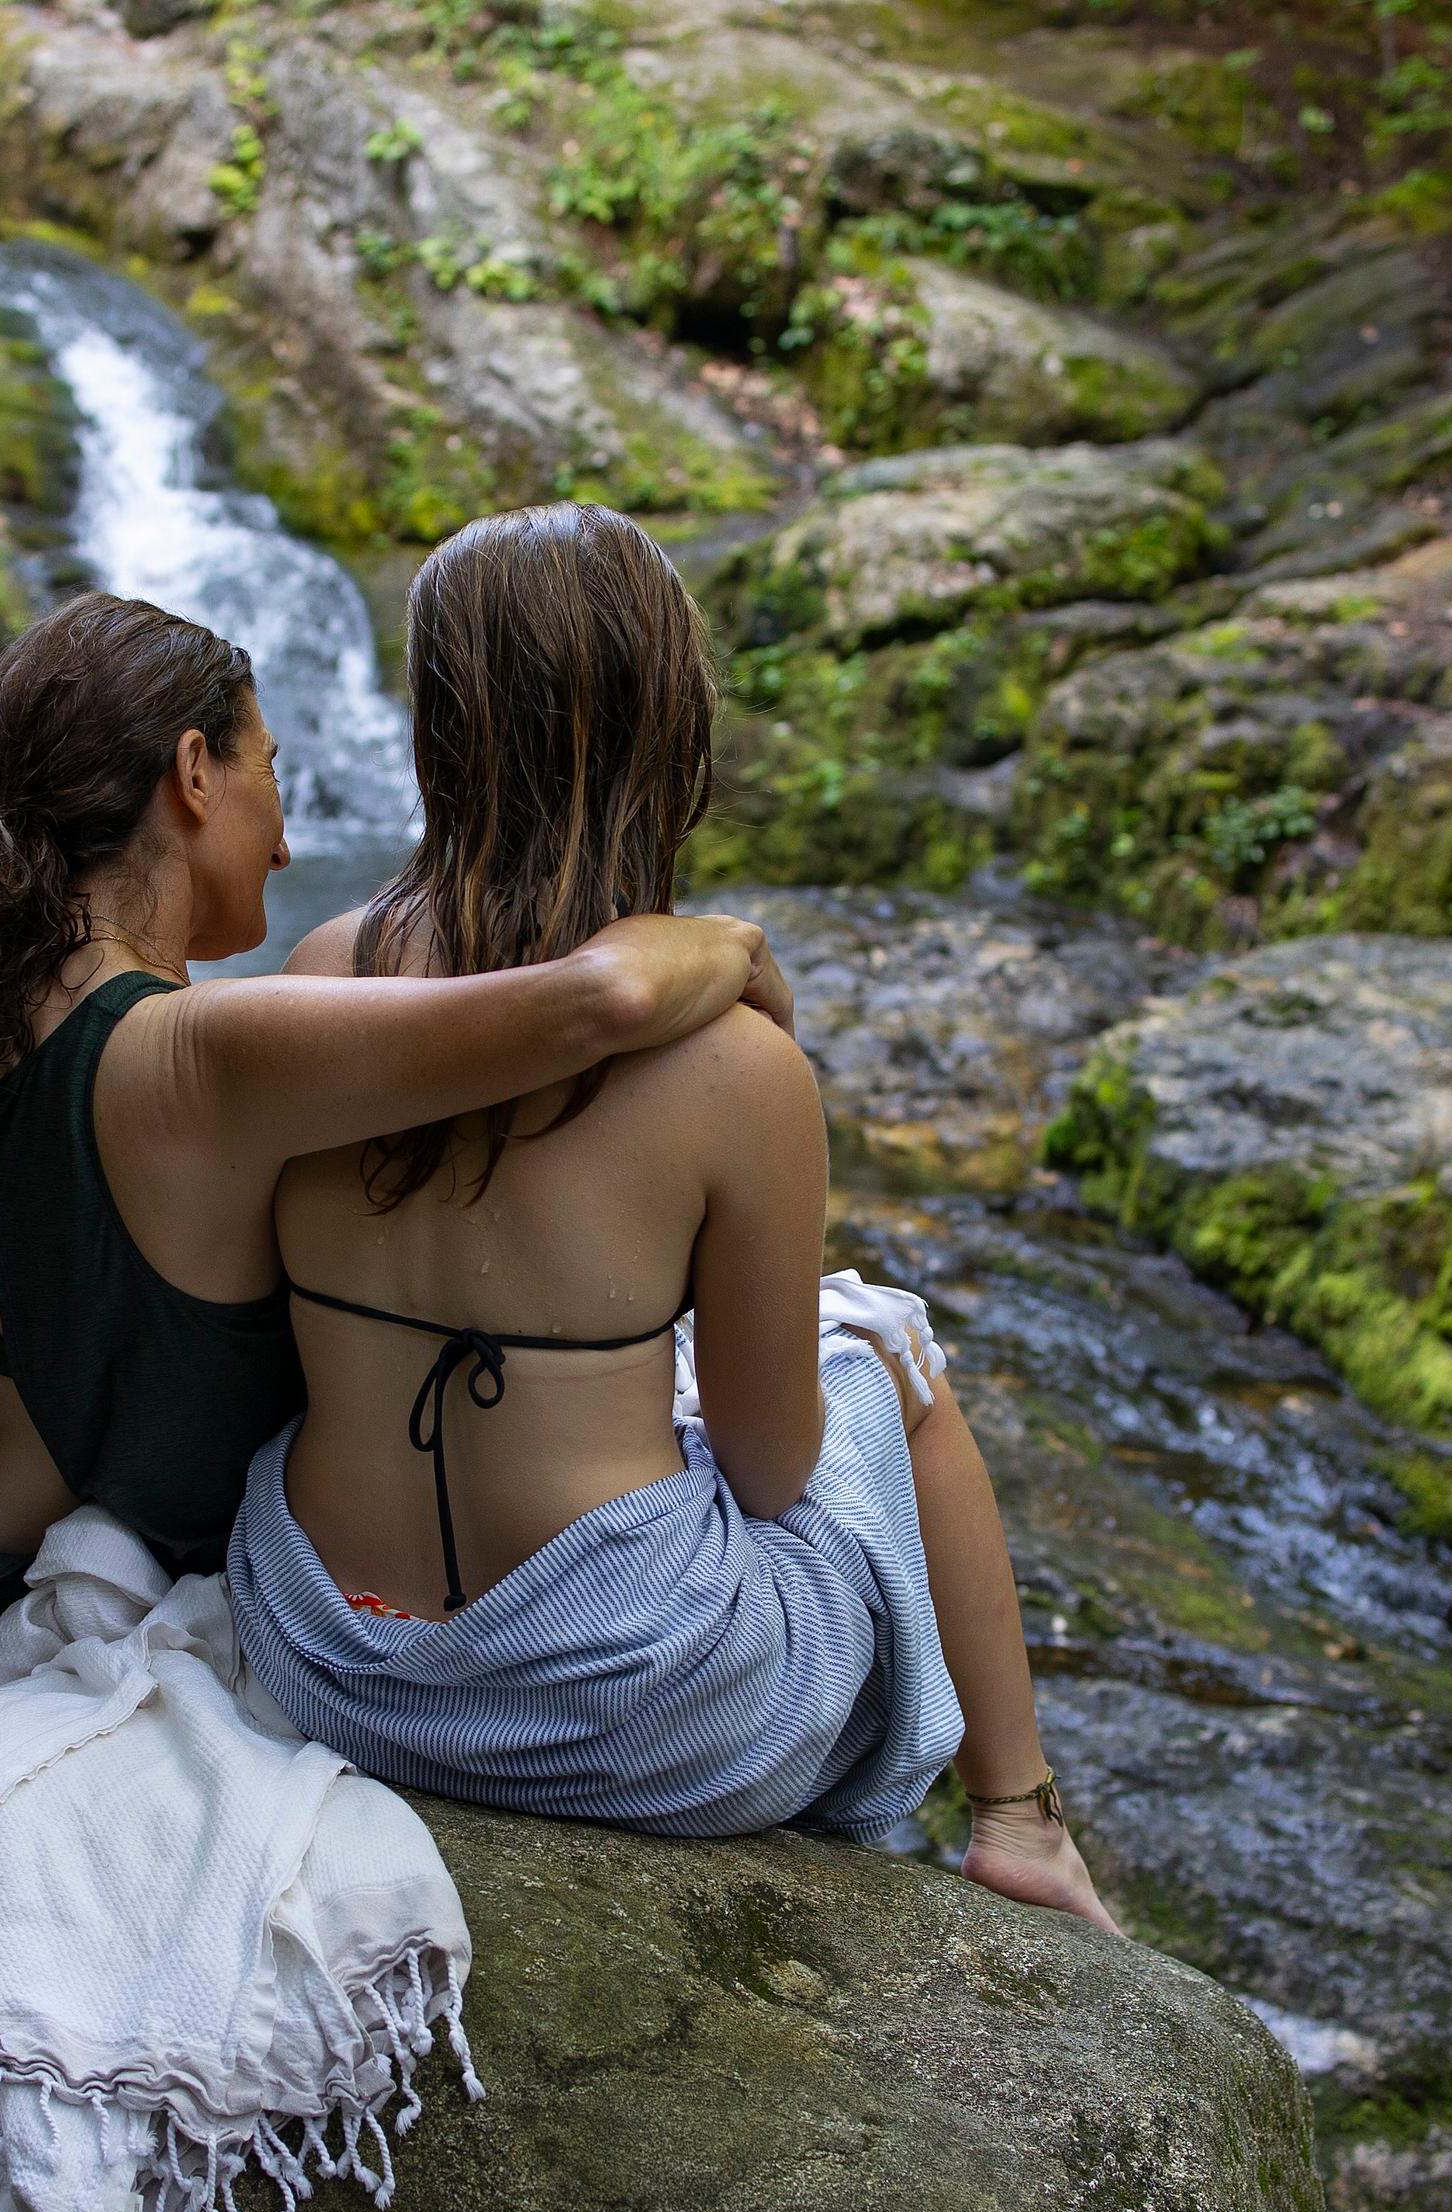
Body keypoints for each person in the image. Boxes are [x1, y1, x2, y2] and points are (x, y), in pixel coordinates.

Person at [223, 504, 1116, 1928]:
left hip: (331, 1666)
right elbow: (771, 1476)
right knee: (891, 1353)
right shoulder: (736, 1070)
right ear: (670, 728)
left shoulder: (322, 975)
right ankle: (1019, 1818)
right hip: (623, 1715)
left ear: (437, 732)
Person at [0, 590, 793, 1691]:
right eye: (271, 770)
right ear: (193, 772)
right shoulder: (208, 1057)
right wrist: (735, 945)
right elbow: (605, 1000)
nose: (288, 842)